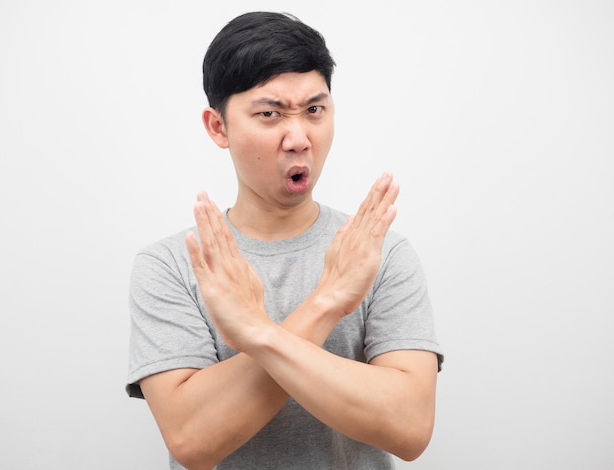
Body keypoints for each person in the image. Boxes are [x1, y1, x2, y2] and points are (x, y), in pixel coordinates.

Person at [126, 11, 443, 470]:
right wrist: (329, 300)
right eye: (270, 114)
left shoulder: (379, 255)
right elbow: (192, 440)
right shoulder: (173, 264)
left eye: (314, 110)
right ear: (218, 127)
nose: (299, 138)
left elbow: (410, 428)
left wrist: (254, 332)